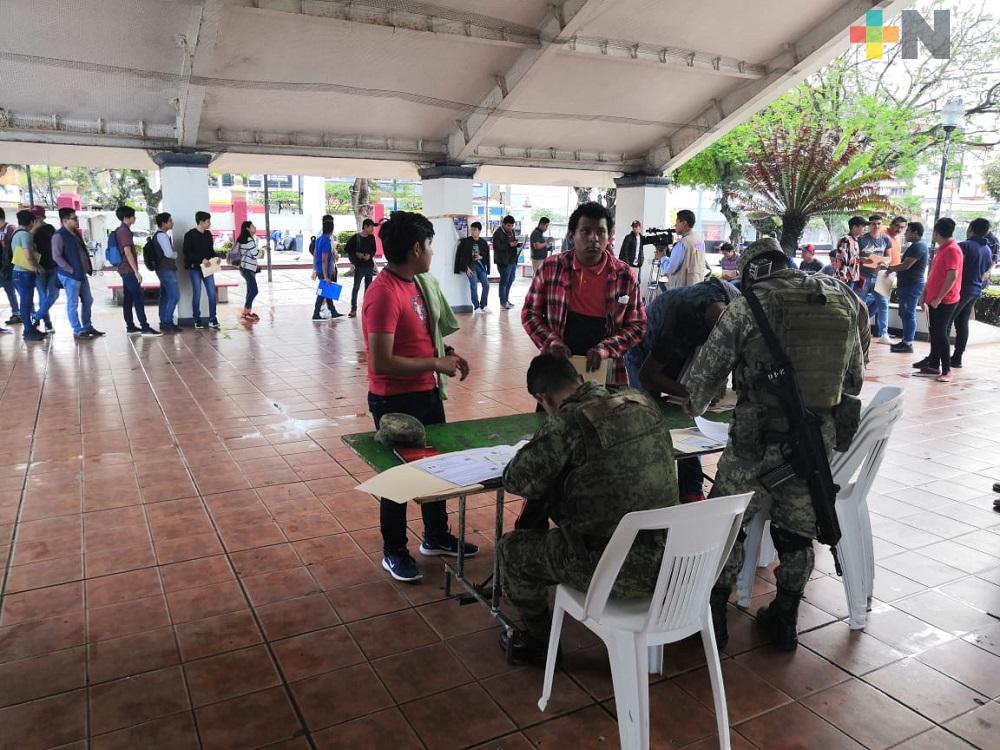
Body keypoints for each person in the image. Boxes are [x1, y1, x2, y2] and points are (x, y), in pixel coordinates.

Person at [683, 238, 866, 652]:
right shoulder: (840, 296)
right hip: (812, 444)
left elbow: (699, 386)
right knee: (797, 533)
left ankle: (713, 617)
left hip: (755, 441)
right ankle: (785, 618)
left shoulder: (748, 306)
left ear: (749, 273)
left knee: (728, 525)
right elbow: (853, 379)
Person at [496, 352, 679, 663]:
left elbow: (517, 480)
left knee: (511, 551)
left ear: (545, 399)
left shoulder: (568, 421)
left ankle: (539, 643)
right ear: (578, 379)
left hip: (615, 570)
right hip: (674, 562)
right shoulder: (639, 401)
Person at [362, 210, 476, 582]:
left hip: (425, 392)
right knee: (398, 479)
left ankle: (436, 536)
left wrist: (445, 353)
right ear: (416, 248)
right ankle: (394, 550)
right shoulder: (383, 294)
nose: (432, 252)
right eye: (430, 245)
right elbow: (381, 362)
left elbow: (417, 339)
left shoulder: (415, 284)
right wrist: (433, 363)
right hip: (394, 400)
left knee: (434, 469)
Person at [633, 277, 740, 503]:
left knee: (691, 419)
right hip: (646, 352)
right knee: (648, 416)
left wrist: (717, 382)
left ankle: (690, 489)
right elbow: (648, 375)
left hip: (685, 347)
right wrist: (693, 392)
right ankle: (650, 493)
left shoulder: (738, 307)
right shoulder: (682, 321)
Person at [522, 201, 645, 385]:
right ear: (572, 236)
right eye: (586, 231)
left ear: (609, 236)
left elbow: (637, 325)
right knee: (557, 412)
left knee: (605, 413)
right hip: (558, 367)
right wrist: (552, 343)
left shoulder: (625, 275)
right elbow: (529, 314)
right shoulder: (551, 268)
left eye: (600, 232)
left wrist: (606, 349)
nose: (594, 238)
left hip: (607, 371)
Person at [913, 218, 963, 383]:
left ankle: (947, 370)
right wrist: (924, 294)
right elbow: (934, 274)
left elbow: (952, 277)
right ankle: (934, 365)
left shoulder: (952, 250)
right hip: (934, 299)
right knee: (934, 333)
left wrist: (939, 298)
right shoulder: (942, 249)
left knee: (941, 334)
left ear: (936, 232)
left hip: (945, 301)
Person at [947, 218, 993, 369]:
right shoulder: (987, 250)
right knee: (962, 323)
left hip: (961, 290)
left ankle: (939, 357)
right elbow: (986, 273)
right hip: (975, 291)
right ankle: (957, 357)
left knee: (945, 323)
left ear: (971, 228)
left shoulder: (965, 246)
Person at [52, 208, 104, 340]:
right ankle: (77, 329)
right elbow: (57, 257)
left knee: (88, 300)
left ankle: (87, 326)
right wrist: (70, 269)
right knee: (73, 303)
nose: (77, 221)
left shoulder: (75, 233)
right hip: (70, 275)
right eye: (74, 218)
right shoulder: (59, 236)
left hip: (81, 273)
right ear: (65, 220)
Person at [110, 206, 160, 336]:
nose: (134, 218)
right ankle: (145, 327)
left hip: (124, 269)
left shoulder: (121, 230)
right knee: (138, 297)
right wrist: (136, 271)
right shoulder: (124, 232)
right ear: (126, 218)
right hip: (128, 269)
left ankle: (130, 326)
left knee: (128, 298)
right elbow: (128, 252)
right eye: (133, 216)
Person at [885, 222, 928, 354]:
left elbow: (906, 265)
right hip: (908, 285)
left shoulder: (919, 246)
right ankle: (905, 341)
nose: (906, 233)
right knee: (905, 313)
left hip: (912, 285)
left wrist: (890, 268)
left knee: (908, 313)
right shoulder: (916, 246)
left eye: (908, 231)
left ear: (915, 232)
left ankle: (908, 343)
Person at [9, 209, 46, 342]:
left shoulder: (17, 232)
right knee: (26, 303)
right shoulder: (25, 235)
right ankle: (29, 331)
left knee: (26, 303)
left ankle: (29, 329)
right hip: (24, 273)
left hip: (18, 272)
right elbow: (28, 255)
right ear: (31, 221)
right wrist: (38, 267)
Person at [858, 214, 893, 344]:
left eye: (879, 223)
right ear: (869, 225)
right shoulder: (861, 239)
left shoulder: (886, 239)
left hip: (880, 276)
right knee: (860, 303)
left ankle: (884, 334)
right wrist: (865, 260)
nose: (876, 226)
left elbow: (889, 257)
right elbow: (857, 256)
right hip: (863, 275)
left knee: (883, 304)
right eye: (873, 224)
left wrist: (884, 262)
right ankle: (859, 331)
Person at [183, 211, 219, 329]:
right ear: (201, 222)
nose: (209, 223)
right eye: (208, 221)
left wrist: (215, 258)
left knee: (212, 293)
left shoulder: (208, 234)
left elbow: (210, 250)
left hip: (208, 268)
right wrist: (201, 260)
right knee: (197, 293)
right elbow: (187, 253)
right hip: (195, 268)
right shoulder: (189, 235)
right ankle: (197, 319)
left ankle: (213, 318)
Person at [29, 206, 58, 333]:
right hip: (38, 268)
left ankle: (37, 316)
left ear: (43, 216)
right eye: (34, 217)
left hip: (53, 266)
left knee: (53, 294)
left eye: (38, 216)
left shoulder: (50, 228)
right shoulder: (29, 231)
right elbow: (26, 244)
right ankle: (47, 323)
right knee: (42, 296)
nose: (36, 219)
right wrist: (34, 229)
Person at [152, 212, 181, 332]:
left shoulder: (158, 235)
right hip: (167, 269)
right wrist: (176, 254)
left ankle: (164, 321)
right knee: (174, 295)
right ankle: (167, 322)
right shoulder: (162, 236)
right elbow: (169, 254)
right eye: (170, 221)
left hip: (162, 269)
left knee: (165, 296)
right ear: (164, 223)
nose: (172, 222)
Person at [454, 221, 491, 313]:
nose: (472, 231)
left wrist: (481, 257)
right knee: (473, 286)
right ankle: (476, 307)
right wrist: (466, 268)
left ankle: (484, 305)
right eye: (471, 229)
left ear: (479, 231)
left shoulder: (483, 242)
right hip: (471, 267)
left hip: (481, 266)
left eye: (475, 230)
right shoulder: (466, 242)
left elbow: (486, 255)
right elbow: (461, 256)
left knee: (486, 285)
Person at [662, 210, 705, 289]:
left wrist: (662, 258)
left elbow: (670, 269)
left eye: (677, 222)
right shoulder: (700, 240)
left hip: (682, 291)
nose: (675, 225)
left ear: (684, 223)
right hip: (697, 286)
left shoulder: (683, 243)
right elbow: (692, 259)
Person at [312, 218, 342, 321]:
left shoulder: (319, 239)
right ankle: (316, 313)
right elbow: (324, 260)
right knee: (323, 292)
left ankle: (333, 311)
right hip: (324, 270)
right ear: (332, 230)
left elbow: (315, 254)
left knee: (326, 291)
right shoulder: (325, 242)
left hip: (320, 268)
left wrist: (315, 269)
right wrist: (326, 277)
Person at [346, 218, 377, 317]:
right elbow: (347, 248)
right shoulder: (356, 237)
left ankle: (367, 309)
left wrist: (370, 255)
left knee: (368, 289)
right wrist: (356, 254)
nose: (372, 229)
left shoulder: (372, 238)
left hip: (369, 267)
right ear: (365, 227)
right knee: (356, 287)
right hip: (359, 267)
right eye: (371, 227)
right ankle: (353, 309)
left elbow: (374, 250)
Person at [234, 220, 261, 322]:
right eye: (253, 226)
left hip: (244, 268)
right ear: (248, 229)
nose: (255, 227)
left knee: (250, 290)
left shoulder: (243, 239)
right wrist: (261, 253)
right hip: (248, 269)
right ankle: (246, 312)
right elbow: (255, 254)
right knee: (254, 290)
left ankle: (247, 312)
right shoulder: (249, 240)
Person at [830, 216, 866, 289]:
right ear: (855, 227)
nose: (864, 229)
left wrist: (859, 260)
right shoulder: (845, 240)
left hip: (852, 277)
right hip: (845, 278)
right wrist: (843, 277)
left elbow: (850, 258)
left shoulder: (855, 240)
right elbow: (842, 259)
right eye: (863, 226)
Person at [492, 215, 520, 310]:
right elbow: (496, 247)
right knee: (504, 281)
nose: (510, 228)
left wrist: (516, 244)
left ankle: (506, 300)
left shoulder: (511, 232)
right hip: (503, 261)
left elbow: (512, 243)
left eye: (512, 225)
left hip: (512, 260)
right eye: (508, 225)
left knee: (510, 280)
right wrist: (509, 244)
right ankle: (503, 302)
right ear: (503, 224)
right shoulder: (497, 233)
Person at [0, 207, 21, 327]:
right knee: (9, 290)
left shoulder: (10, 229)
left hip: (13, 266)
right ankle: (16, 313)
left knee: (21, 290)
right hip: (4, 268)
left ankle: (30, 313)